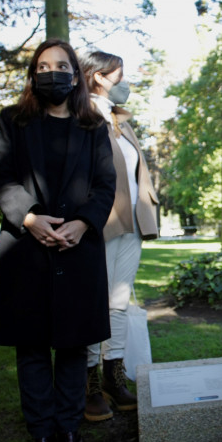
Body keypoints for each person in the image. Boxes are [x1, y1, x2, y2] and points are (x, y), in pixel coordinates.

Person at [0, 39, 116, 442]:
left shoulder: (93, 126)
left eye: (61, 65)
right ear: (32, 75)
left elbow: (104, 184)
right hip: (27, 249)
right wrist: (28, 217)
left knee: (74, 345)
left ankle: (68, 425)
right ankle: (41, 428)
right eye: (42, 67)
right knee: (31, 346)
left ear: (76, 74)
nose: (51, 73)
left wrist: (82, 223)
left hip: (77, 249)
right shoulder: (13, 120)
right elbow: (2, 176)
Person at [79, 51, 159, 421]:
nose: (124, 83)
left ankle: (114, 375)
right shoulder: (82, 116)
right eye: (118, 75)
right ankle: (88, 383)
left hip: (132, 224)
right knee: (93, 303)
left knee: (118, 302)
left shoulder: (119, 119)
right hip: (101, 221)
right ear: (97, 76)